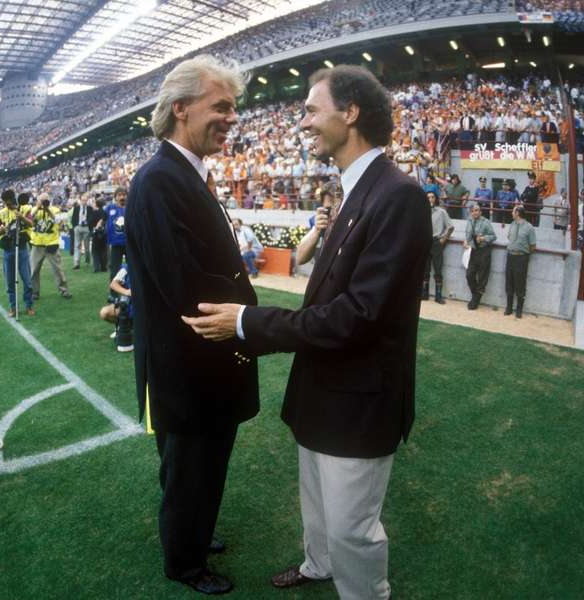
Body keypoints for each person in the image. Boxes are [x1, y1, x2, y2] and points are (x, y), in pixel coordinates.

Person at [182, 64, 430, 600]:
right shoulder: (357, 190)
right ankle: (318, 566)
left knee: (352, 529)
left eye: (312, 111)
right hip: (323, 394)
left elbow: (359, 315)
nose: (303, 124)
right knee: (318, 508)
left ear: (351, 113)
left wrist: (248, 322)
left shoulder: (398, 195)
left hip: (360, 403)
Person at [124, 55, 259, 596]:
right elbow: (183, 281)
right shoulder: (160, 180)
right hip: (189, 358)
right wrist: (249, 319)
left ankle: (195, 533)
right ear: (180, 109)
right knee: (190, 465)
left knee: (199, 464)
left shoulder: (183, 175)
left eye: (234, 108)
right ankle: (185, 560)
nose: (231, 118)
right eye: (220, 106)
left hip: (202, 355)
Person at [0, 189, 34, 317]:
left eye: (9, 202)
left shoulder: (25, 209)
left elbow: (31, 224)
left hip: (21, 248)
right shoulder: (1, 213)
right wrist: (0, 229)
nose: (7, 205)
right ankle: (13, 307)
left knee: (27, 280)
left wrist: (22, 217)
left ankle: (29, 305)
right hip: (8, 249)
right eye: (5, 203)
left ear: (13, 199)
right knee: (10, 281)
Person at [29, 192, 71, 301]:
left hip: (52, 243)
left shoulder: (55, 210)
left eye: (45, 200)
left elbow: (58, 222)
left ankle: (64, 290)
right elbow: (29, 219)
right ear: (37, 201)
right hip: (37, 243)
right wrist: (38, 208)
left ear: (49, 200)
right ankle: (34, 292)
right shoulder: (34, 210)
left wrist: (47, 209)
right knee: (33, 270)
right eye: (41, 200)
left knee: (57, 269)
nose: (43, 202)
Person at [504, 205, 536, 318]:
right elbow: (509, 238)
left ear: (517, 213)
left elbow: (532, 246)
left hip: (521, 258)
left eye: (513, 211)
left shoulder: (529, 227)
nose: (511, 213)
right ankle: (509, 307)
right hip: (510, 256)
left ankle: (519, 310)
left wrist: (523, 253)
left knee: (520, 283)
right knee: (509, 282)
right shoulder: (512, 224)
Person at [464, 201, 497, 310]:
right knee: (469, 274)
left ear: (480, 212)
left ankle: (475, 300)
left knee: (482, 277)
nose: (475, 213)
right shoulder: (469, 222)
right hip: (473, 251)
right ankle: (475, 295)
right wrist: (466, 241)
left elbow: (493, 236)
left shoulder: (486, 222)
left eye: (477, 210)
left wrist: (483, 238)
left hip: (484, 251)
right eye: (472, 211)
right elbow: (468, 235)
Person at [98, 261, 134, 352]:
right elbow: (113, 284)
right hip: (127, 306)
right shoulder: (126, 268)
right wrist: (127, 292)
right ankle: (121, 326)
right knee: (104, 312)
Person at [425, 190, 453, 304]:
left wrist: (443, 239)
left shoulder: (442, 212)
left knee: (438, 269)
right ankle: (424, 294)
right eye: (428, 197)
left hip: (437, 243)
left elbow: (450, 227)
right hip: (425, 243)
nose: (430, 199)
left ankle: (438, 296)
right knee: (425, 270)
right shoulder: (422, 211)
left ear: (435, 199)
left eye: (432, 197)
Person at [296, 189, 336, 265]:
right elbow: (299, 259)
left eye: (337, 208)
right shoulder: (320, 223)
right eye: (329, 209)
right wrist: (316, 231)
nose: (334, 213)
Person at [106, 188, 128, 280]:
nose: (122, 197)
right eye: (119, 195)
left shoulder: (131, 207)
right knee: (115, 269)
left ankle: (131, 290)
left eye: (124, 195)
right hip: (115, 243)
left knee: (132, 268)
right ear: (115, 197)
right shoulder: (110, 208)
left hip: (129, 243)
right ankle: (114, 293)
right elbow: (102, 220)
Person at [71, 193, 93, 269]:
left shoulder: (90, 208)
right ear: (80, 200)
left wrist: (88, 222)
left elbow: (91, 218)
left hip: (86, 228)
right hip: (78, 227)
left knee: (87, 247)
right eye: (83, 200)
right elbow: (73, 218)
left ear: (87, 201)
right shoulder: (76, 208)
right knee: (77, 245)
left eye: (85, 200)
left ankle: (87, 261)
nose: (84, 202)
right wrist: (75, 227)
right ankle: (76, 263)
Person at [90, 197, 108, 272]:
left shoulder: (94, 212)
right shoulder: (105, 212)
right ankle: (104, 267)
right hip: (104, 233)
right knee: (103, 250)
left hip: (96, 232)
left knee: (95, 251)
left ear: (97, 204)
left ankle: (96, 267)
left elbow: (90, 222)